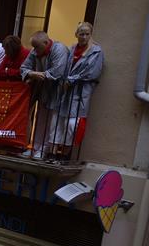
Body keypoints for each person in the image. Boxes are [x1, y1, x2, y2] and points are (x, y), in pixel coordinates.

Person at [55, 22, 104, 158]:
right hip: (67, 92)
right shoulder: (72, 49)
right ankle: (58, 152)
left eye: (87, 34)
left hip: (80, 92)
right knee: (62, 122)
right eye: (81, 34)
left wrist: (71, 79)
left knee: (73, 124)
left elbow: (92, 72)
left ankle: (66, 153)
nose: (84, 37)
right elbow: (66, 67)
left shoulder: (96, 51)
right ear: (76, 35)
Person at [20, 31, 70, 159]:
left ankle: (44, 150)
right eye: (33, 47)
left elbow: (57, 72)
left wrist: (36, 74)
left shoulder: (60, 49)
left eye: (37, 47)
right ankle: (35, 148)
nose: (34, 51)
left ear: (46, 42)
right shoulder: (35, 51)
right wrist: (33, 74)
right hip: (42, 90)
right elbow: (24, 67)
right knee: (40, 119)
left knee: (52, 122)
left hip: (57, 91)